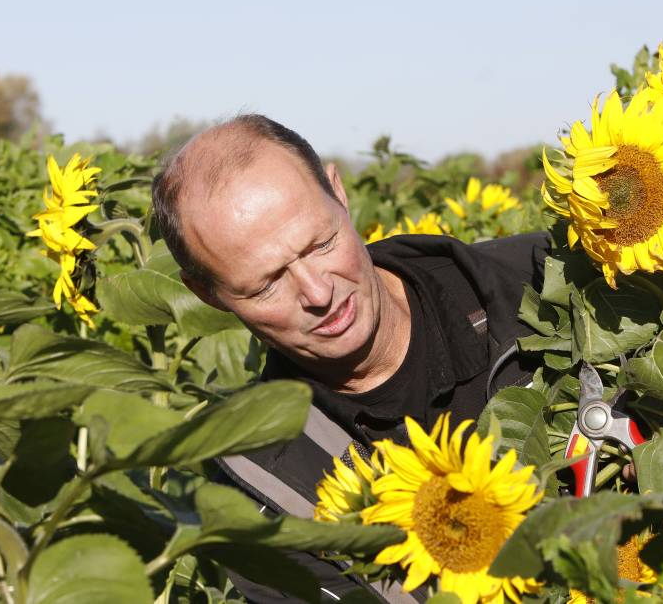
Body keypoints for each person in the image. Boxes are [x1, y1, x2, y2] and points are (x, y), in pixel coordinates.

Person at [151, 114, 549, 603]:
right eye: (267, 284)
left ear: (339, 194)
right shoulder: (266, 488)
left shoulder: (543, 284)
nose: (318, 293)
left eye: (321, 244)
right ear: (210, 296)